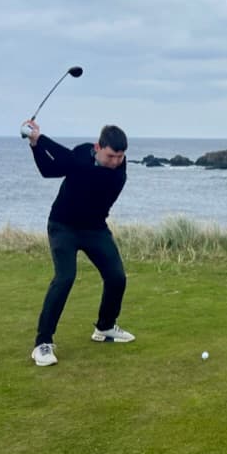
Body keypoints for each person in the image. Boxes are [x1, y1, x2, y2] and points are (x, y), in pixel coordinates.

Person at [24, 119, 135, 367]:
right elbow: (49, 170)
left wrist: (41, 139)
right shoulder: (82, 154)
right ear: (97, 147)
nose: (116, 161)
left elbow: (71, 163)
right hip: (62, 226)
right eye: (111, 155)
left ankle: (105, 327)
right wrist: (35, 145)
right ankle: (42, 343)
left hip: (94, 228)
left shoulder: (115, 175)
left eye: (120, 156)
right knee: (65, 278)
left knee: (117, 277)